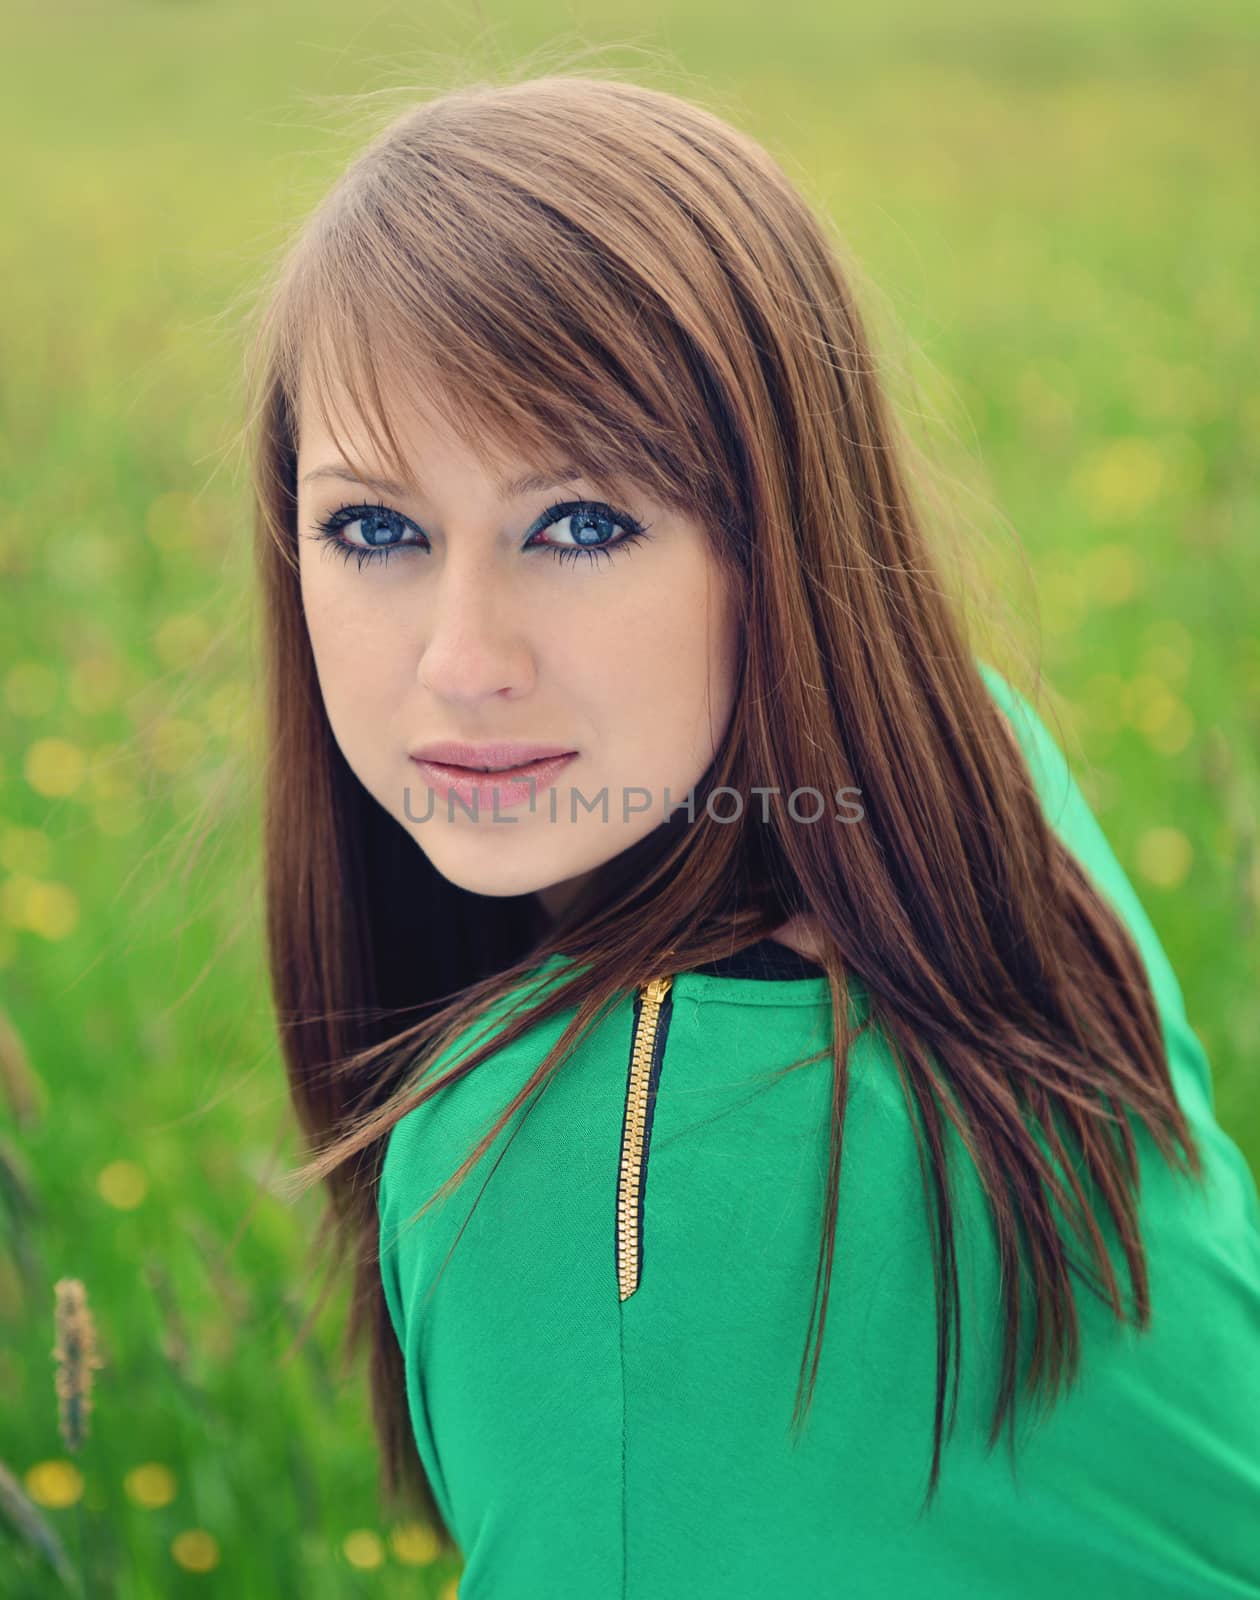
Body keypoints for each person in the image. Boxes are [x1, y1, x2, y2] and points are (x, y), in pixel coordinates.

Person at [240, 71, 1260, 1597]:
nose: (461, 657)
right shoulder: (978, 787)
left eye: (580, 523)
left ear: (777, 533)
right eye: (376, 529)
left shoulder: (556, 1183)